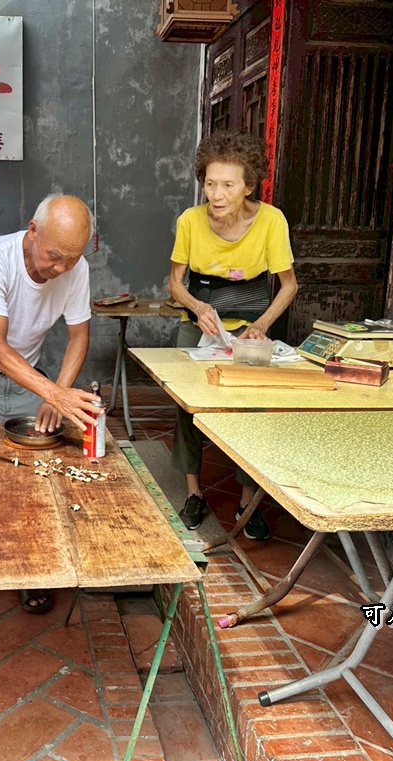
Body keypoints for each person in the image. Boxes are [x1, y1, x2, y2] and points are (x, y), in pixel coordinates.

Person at [0, 193, 103, 616]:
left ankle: (30, 569)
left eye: (72, 258)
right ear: (33, 231)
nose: (62, 268)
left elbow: (79, 336)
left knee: (32, 478)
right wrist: (54, 393)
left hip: (29, 373)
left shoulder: (75, 267)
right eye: (55, 256)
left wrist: (59, 391)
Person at [168, 130, 298, 539]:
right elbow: (175, 283)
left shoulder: (271, 220)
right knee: (187, 407)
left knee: (250, 412)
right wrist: (198, 306)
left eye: (228, 185)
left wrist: (261, 325)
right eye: (209, 183)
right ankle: (193, 493)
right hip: (200, 326)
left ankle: (247, 500)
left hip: (250, 334)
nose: (217, 194)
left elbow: (289, 285)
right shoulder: (190, 221)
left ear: (248, 186)